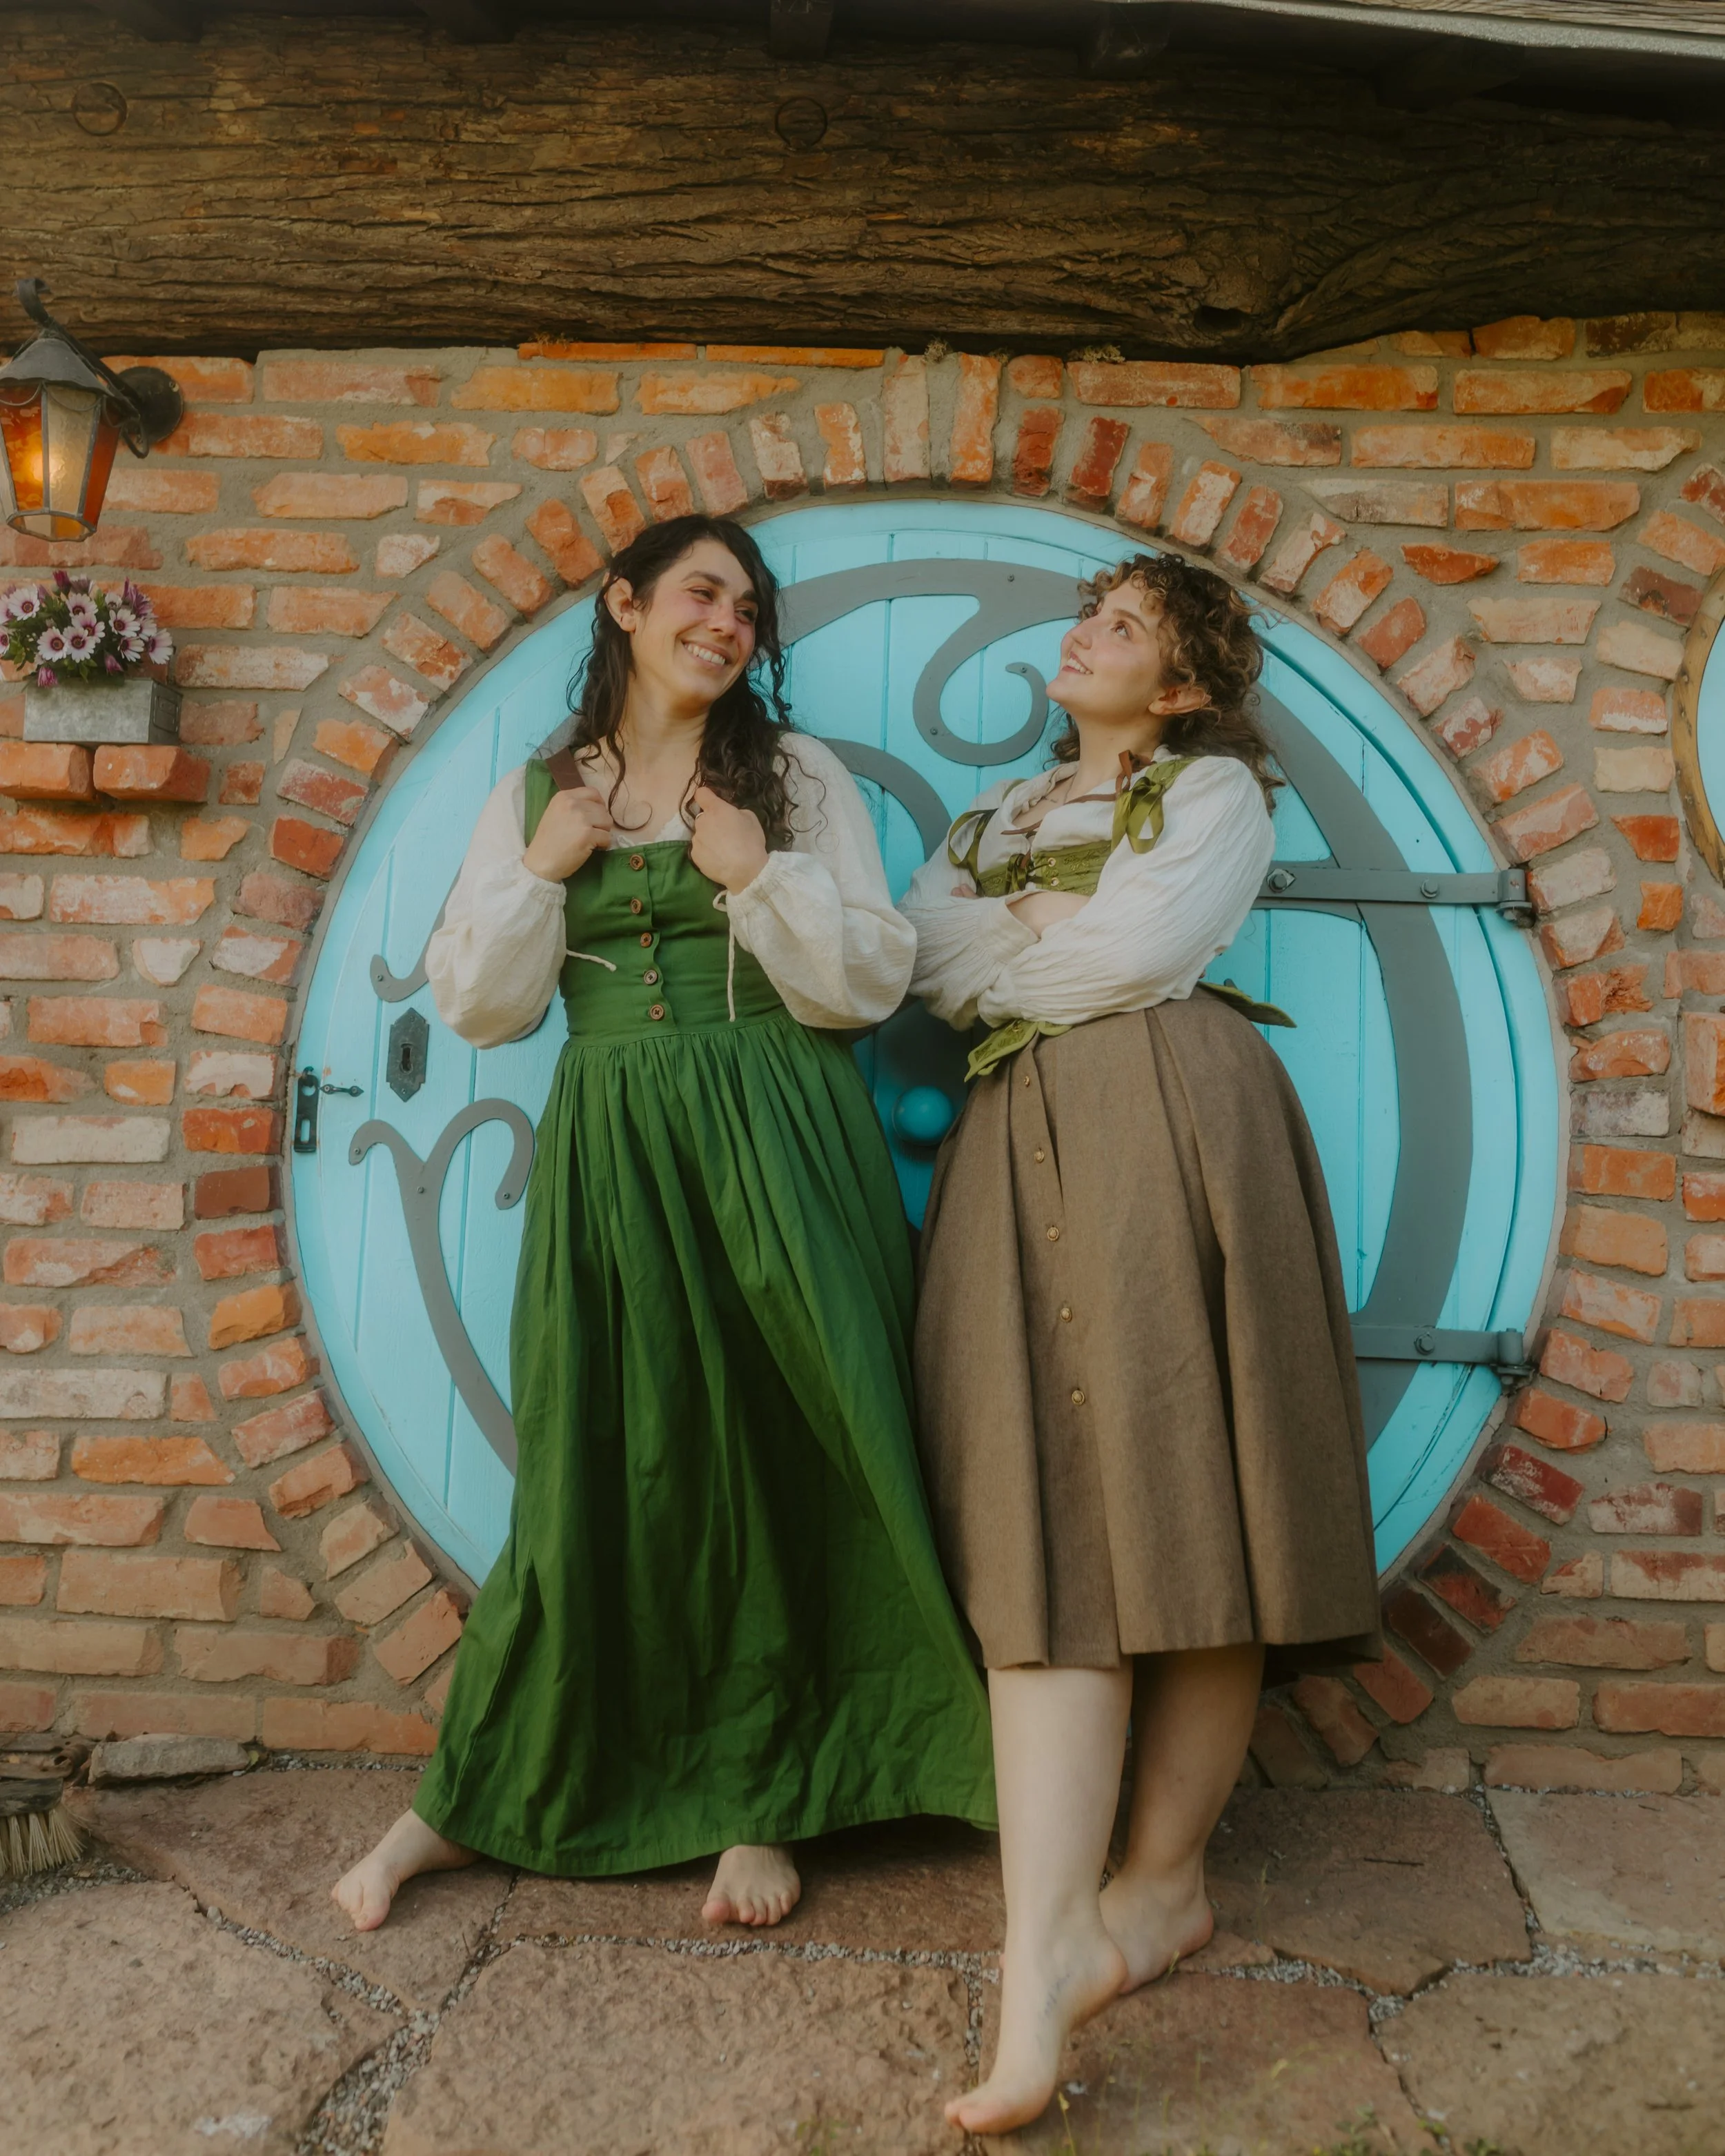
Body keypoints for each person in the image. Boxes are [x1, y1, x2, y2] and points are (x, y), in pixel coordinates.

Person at [333, 514, 993, 1934]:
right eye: (701, 591)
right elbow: (480, 1001)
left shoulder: (793, 777)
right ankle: (467, 1795)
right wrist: (544, 858)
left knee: (778, 1440)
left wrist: (758, 870)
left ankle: (761, 1794)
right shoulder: (535, 791)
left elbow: (868, 979)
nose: (728, 620)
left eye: (748, 606)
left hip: (780, 1127)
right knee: (593, 1451)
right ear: (623, 603)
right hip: (616, 1140)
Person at [903, 551, 1381, 2135]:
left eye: (1117, 628)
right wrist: (1033, 936)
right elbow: (928, 963)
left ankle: (1161, 1879)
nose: (1081, 639)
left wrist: (1026, 948)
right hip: (1016, 1142)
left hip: (1180, 1135)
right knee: (1046, 1512)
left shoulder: (1215, 793)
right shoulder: (987, 822)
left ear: (1174, 686)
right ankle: (1037, 1949)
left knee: (1202, 1487)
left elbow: (1129, 954)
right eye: (1086, 618)